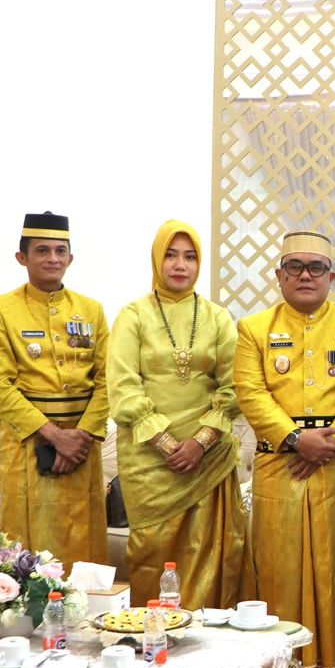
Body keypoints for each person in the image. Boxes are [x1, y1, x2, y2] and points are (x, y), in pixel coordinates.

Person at [233, 230, 335, 668]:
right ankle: (283, 660)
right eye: (294, 266)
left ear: (331, 277)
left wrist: (329, 443)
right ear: (278, 275)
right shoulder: (254, 328)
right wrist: (297, 439)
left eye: (316, 267)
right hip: (281, 462)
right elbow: (250, 392)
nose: (305, 275)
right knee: (279, 564)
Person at [108, 220, 251, 609]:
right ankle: (152, 629)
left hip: (208, 458)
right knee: (150, 551)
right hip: (149, 459)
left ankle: (207, 630)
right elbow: (123, 388)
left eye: (190, 256)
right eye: (170, 255)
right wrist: (167, 443)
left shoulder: (217, 317)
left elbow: (234, 386)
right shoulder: (133, 315)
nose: (180, 265)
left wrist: (200, 443)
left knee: (210, 552)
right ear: (157, 259)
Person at [0, 212, 108, 566]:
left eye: (60, 251)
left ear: (70, 258)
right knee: (25, 543)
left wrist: (80, 436)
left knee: (83, 535)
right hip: (27, 444)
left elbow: (107, 380)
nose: (52, 258)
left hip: (82, 446)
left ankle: (84, 600)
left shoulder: (91, 310)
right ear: (22, 257)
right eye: (42, 250)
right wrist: (54, 435)